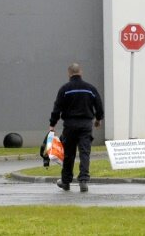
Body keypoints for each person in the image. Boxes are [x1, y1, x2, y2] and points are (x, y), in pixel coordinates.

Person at [49, 62, 104, 192]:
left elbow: (57, 108)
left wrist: (52, 124)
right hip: (86, 125)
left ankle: (66, 181)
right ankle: (83, 181)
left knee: (69, 154)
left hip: (70, 125)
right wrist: (98, 119)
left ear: (69, 73)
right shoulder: (90, 88)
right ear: (81, 72)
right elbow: (99, 105)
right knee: (85, 152)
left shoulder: (65, 89)